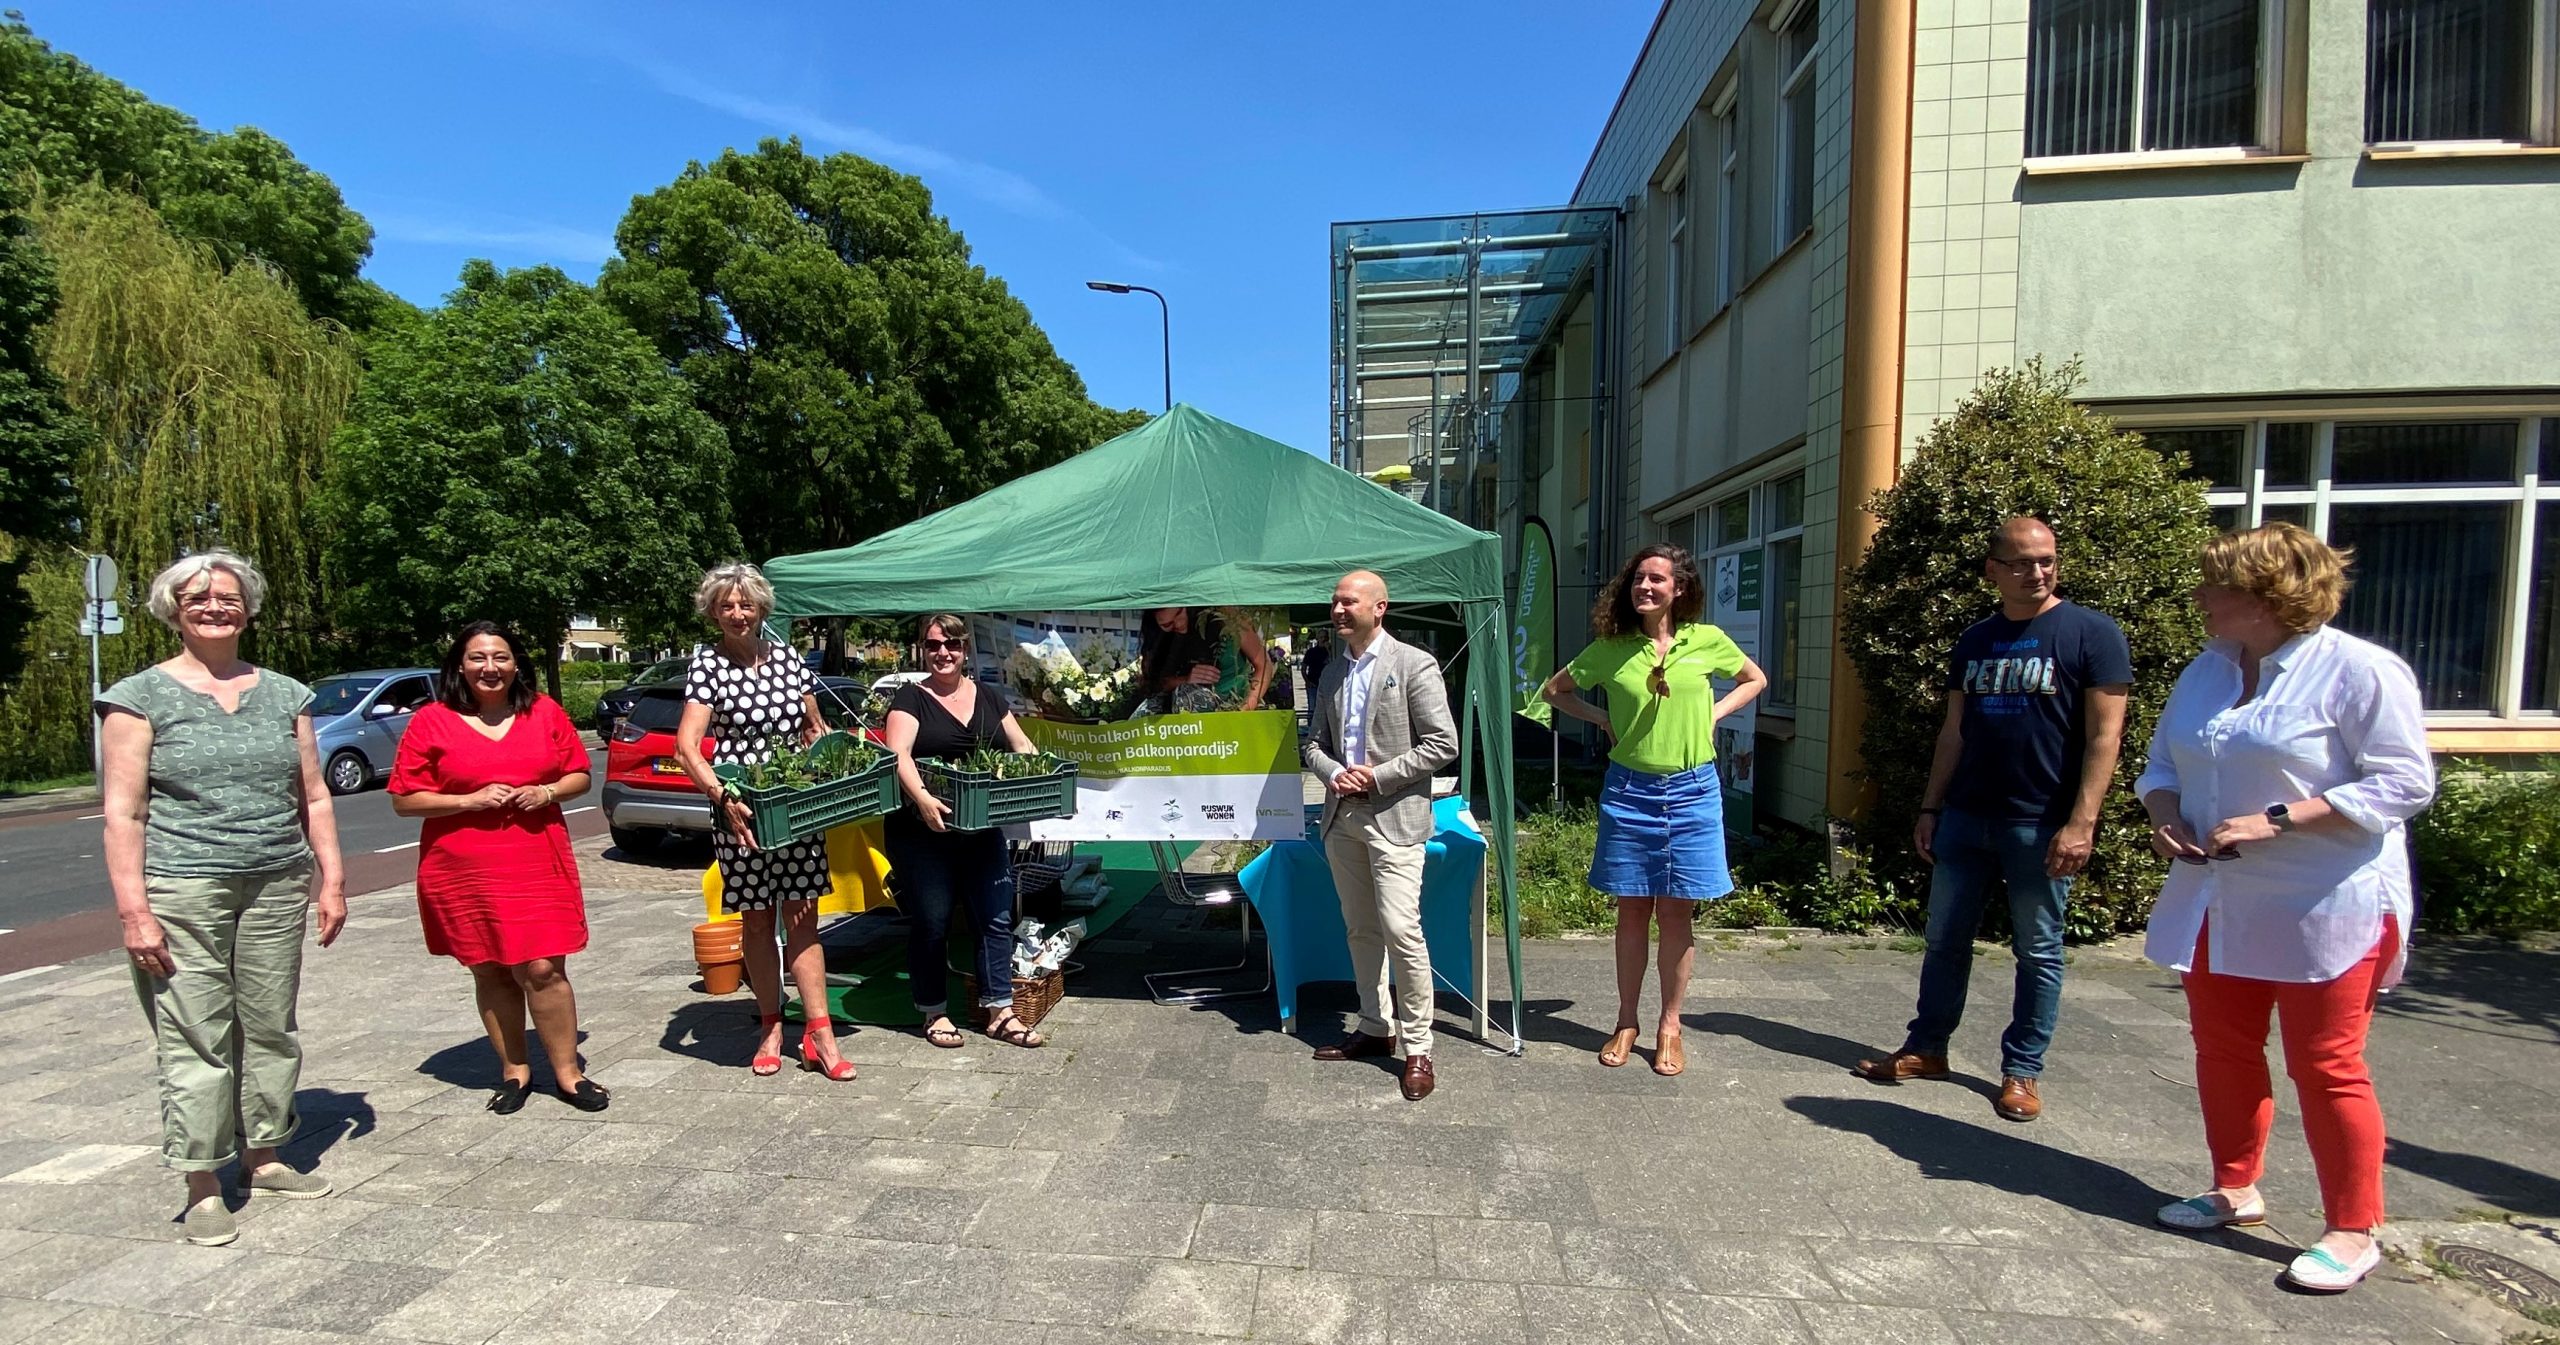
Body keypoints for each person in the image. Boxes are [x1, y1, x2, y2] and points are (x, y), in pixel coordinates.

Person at [2138, 523, 2433, 1294]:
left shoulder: (2360, 672)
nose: (2200, 595)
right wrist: (2165, 811)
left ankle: (2354, 1225)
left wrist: (2278, 818)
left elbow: (2404, 783)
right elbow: (2164, 761)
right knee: (2223, 1048)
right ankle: (2235, 1186)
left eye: (2215, 585)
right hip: (2218, 896)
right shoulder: (2207, 669)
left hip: (2323, 902)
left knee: (2327, 1065)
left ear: (2268, 597)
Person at [97, 551, 346, 1246]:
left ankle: (263, 1155)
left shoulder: (286, 694)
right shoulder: (137, 697)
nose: (215, 606)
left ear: (249, 607)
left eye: (229, 596)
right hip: (184, 887)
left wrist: (332, 878)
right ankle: (202, 1181)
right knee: (196, 1035)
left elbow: (314, 794)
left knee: (269, 1025)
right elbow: (125, 814)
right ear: (173, 608)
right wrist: (134, 911)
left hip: (276, 878)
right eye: (199, 596)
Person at [1854, 517, 2130, 1122]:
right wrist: (1931, 806)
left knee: (2037, 949)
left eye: (2047, 560)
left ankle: (2022, 1070)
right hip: (1967, 817)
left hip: (2040, 822)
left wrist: (2082, 823)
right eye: (2022, 562)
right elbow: (1953, 731)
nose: (2037, 572)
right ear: (1993, 571)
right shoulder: (1976, 639)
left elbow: (2106, 737)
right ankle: (1927, 1048)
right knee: (1944, 940)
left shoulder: (2092, 633)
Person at [1539, 543, 1767, 1077]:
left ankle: (1670, 1025)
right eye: (1639, 578)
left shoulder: (1706, 641)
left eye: (1657, 579)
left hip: (1693, 790)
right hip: (1630, 792)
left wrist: (1715, 711)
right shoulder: (1611, 647)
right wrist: (1600, 718)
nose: (1645, 587)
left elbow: (1754, 679)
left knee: (1677, 912)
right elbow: (1556, 690)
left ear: (1679, 589)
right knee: (1633, 909)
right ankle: (1626, 1020)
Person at [390, 622, 606, 1114]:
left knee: (543, 967)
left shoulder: (544, 712)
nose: (490, 668)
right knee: (489, 968)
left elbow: (578, 774)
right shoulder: (432, 721)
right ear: (460, 666)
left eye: (500, 657)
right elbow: (405, 799)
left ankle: (569, 1074)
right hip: (462, 867)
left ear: (516, 664)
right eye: (478, 658)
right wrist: (468, 799)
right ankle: (515, 1071)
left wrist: (547, 791)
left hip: (535, 860)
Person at [672, 563, 853, 1081]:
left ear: (761, 609)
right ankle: (770, 1026)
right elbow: (687, 747)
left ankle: (820, 1033)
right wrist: (721, 795)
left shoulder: (790, 659)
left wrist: (832, 765)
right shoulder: (707, 664)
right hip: (741, 810)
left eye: (745, 604)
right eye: (726, 605)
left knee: (802, 918)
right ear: (712, 611)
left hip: (794, 804)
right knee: (756, 918)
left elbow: (813, 730)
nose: (736, 613)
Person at [1302, 571, 1460, 1100]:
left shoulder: (1414, 664)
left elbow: (1443, 744)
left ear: (1380, 607)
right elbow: (1312, 744)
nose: (1338, 610)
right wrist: (1330, 772)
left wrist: (1378, 775)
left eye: (1349, 602)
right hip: (1341, 817)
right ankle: (1375, 1027)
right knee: (1360, 929)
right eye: (1335, 602)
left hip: (1393, 817)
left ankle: (1419, 1047)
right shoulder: (1329, 671)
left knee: (1401, 931)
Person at [883, 615, 1049, 1049]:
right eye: (935, 644)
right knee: (933, 922)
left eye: (952, 645)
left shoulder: (988, 697)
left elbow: (1022, 747)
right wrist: (922, 798)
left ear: (965, 649)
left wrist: (1038, 777)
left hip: (980, 828)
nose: (943, 653)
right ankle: (934, 1012)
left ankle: (1000, 1011)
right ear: (924, 648)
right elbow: (897, 754)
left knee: (995, 918)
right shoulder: (910, 699)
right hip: (922, 832)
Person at [1140, 606, 1272, 713]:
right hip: (1177, 710)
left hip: (1232, 704)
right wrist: (1185, 680)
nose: (1179, 624)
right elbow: (1155, 684)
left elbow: (1264, 665)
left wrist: (1245, 709)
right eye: (1168, 624)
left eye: (1180, 613)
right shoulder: (1158, 642)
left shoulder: (1226, 615)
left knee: (1190, 697)